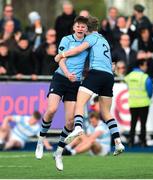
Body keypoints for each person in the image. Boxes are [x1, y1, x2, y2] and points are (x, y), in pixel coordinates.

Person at [55, 16, 125, 156]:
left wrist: (61, 55)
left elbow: (78, 50)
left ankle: (78, 128)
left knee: (79, 103)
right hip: (109, 77)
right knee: (106, 113)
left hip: (97, 73)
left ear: (87, 29)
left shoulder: (91, 38)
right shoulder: (104, 40)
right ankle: (118, 141)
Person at [35, 16, 89, 171]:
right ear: (74, 27)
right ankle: (41, 141)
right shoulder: (66, 39)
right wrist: (67, 74)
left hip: (75, 83)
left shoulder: (88, 43)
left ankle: (58, 152)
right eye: (78, 26)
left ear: (86, 29)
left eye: (83, 27)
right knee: (51, 110)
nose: (80, 29)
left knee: (70, 123)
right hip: (61, 77)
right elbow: (60, 59)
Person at [125, 60, 153, 147]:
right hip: (143, 103)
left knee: (133, 124)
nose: (146, 67)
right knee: (143, 124)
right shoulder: (144, 77)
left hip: (133, 103)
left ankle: (131, 141)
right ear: (141, 66)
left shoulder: (129, 76)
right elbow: (150, 90)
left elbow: (127, 84)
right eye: (145, 65)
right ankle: (143, 142)